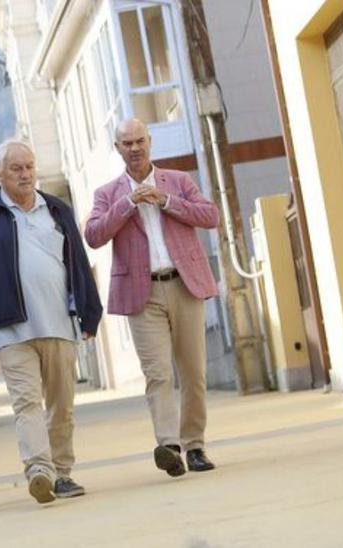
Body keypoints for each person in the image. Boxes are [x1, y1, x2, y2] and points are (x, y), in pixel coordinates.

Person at [0, 139, 102, 504]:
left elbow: (79, 263)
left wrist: (91, 310)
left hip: (59, 324)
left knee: (61, 405)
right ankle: (40, 470)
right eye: (16, 168)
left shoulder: (56, 209)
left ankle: (63, 472)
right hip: (11, 328)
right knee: (26, 404)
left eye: (29, 167)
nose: (25, 174)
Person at [83, 119, 221, 478]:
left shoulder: (178, 181)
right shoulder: (107, 193)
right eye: (126, 143)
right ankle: (169, 446)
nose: (134, 148)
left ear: (150, 142)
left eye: (139, 141)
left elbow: (210, 216)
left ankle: (195, 445)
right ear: (117, 149)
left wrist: (166, 201)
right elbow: (94, 235)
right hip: (141, 294)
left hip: (184, 285)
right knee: (158, 373)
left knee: (193, 372)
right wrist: (127, 203)